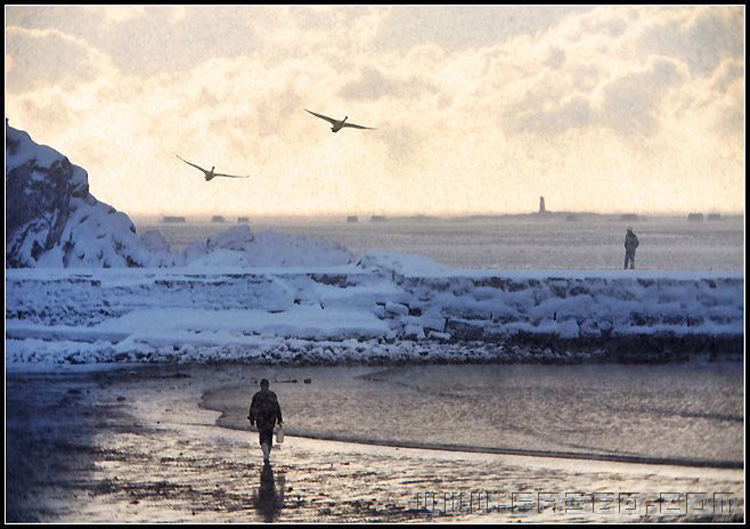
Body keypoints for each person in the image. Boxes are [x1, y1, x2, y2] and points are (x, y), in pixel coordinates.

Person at [248, 379, 283, 462]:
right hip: (271, 419)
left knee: (262, 437)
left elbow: (252, 409)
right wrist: (279, 419)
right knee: (269, 436)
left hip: (260, 419)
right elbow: (277, 407)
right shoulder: (272, 395)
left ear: (261, 386)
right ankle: (267, 454)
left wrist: (252, 420)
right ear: (268, 385)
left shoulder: (257, 396)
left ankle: (265, 453)